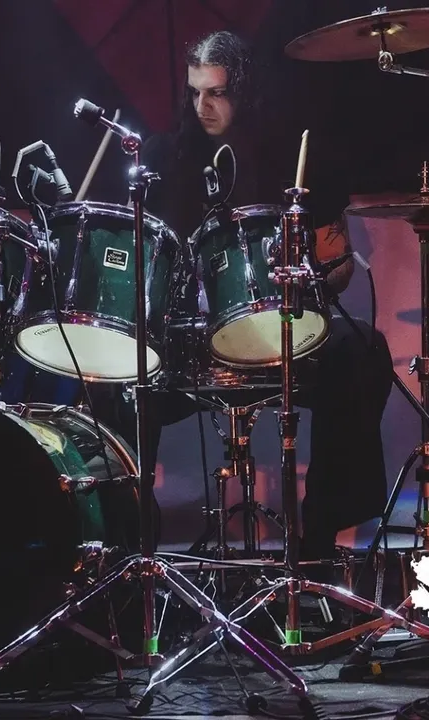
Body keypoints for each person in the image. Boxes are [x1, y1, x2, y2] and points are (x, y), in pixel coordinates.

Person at [140, 30, 395, 562]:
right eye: (195, 92)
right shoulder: (165, 158)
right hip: (192, 341)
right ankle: (128, 543)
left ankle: (318, 538)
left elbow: (341, 267)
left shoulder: (295, 157)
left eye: (216, 93)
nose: (203, 106)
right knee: (114, 372)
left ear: (245, 92)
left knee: (362, 349)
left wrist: (310, 276)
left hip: (283, 335)